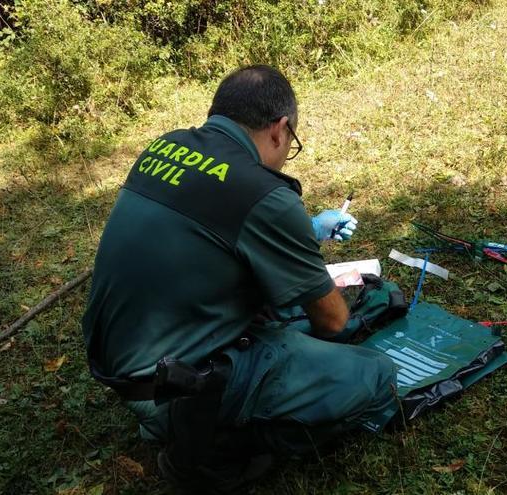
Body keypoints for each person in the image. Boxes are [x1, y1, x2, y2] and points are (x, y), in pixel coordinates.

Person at [81, 65, 399, 493]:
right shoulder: (266, 194)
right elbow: (333, 323)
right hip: (178, 389)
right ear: (279, 129)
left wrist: (306, 229)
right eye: (292, 143)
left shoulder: (166, 146)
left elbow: (213, 232)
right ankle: (210, 453)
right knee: (375, 375)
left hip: (120, 365)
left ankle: (192, 420)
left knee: (281, 308)